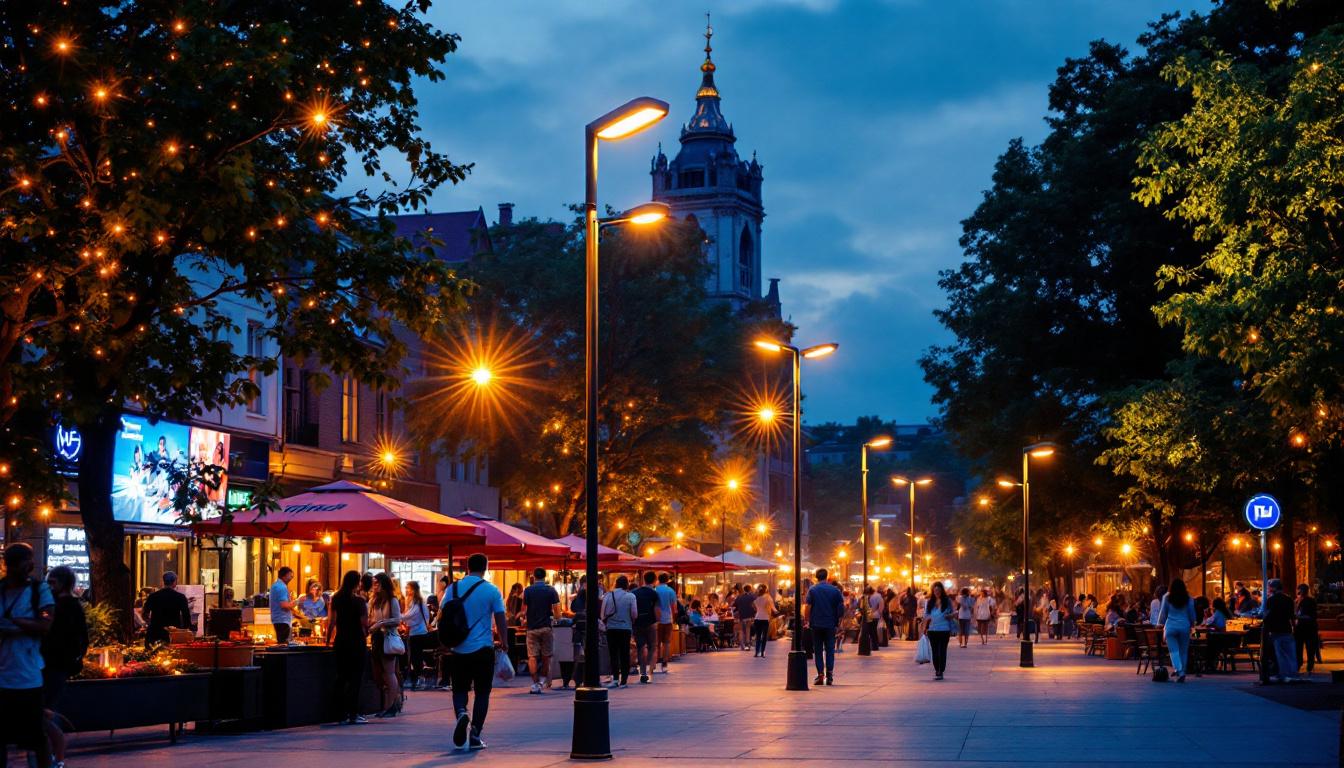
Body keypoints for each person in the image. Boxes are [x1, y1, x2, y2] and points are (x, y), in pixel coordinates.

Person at [446, 553, 507, 751]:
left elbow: (443, 616)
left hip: (458, 648)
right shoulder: (491, 590)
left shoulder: (452, 589)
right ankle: (475, 734)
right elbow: (500, 618)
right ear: (486, 568)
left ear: (467, 567)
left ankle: (462, 713)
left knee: (459, 689)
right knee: (482, 692)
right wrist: (504, 641)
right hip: (483, 649)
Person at [0, 544, 54, 768]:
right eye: (27, 560)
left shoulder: (38, 591)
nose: (31, 566)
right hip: (4, 676)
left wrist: (14, 623)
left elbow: (45, 624)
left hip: (27, 676)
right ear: (11, 564)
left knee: (36, 735)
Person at [40, 565, 84, 768]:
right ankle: (52, 758)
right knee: (44, 713)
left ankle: (56, 758)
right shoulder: (60, 604)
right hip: (51, 664)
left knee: (45, 713)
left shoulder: (67, 606)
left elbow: (80, 639)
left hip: (55, 664)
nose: (49, 586)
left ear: (63, 583)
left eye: (53, 582)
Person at [327, 570, 369, 724]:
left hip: (341, 640)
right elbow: (364, 622)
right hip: (356, 641)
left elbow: (331, 621)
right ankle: (353, 713)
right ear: (356, 583)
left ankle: (339, 713)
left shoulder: (336, 598)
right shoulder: (359, 601)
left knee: (341, 677)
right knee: (356, 678)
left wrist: (327, 640)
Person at [522, 567, 560, 694]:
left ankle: (535, 683)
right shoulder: (551, 590)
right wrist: (556, 619)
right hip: (546, 627)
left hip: (531, 628)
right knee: (546, 656)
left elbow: (524, 611)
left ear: (534, 576)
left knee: (532, 656)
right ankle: (542, 681)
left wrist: (524, 618)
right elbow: (557, 612)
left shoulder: (527, 591)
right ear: (545, 577)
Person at [803, 568, 844, 685]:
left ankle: (820, 675)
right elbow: (840, 607)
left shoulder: (813, 590)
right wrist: (839, 621)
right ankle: (830, 674)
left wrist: (807, 620)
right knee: (830, 649)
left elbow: (808, 607)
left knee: (818, 649)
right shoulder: (835, 590)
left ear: (816, 577)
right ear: (827, 576)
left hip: (816, 624)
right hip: (830, 623)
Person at [1156, 578, 1197, 682]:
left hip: (1171, 627)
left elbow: (1163, 612)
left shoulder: (1166, 597)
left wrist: (1160, 623)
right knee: (1183, 651)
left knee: (1173, 651)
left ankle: (1179, 670)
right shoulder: (1189, 598)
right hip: (1184, 626)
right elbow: (1192, 614)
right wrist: (1192, 623)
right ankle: (1182, 671)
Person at [601, 575, 637, 688]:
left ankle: (615, 678)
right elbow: (634, 613)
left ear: (616, 583)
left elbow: (602, 614)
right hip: (625, 628)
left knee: (613, 654)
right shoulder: (631, 596)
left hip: (611, 628)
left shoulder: (607, 595)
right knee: (624, 653)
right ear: (626, 584)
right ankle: (624, 681)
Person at [141, 571, 192, 647]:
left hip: (155, 632)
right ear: (174, 582)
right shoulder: (180, 597)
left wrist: (151, 624)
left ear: (163, 581)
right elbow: (186, 616)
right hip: (173, 633)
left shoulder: (153, 596)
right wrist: (184, 631)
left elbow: (145, 614)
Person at [1262, 579, 1296, 683]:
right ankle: (1291, 673)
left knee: (1279, 654)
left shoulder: (1271, 600)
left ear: (1274, 588)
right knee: (1289, 653)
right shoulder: (1289, 599)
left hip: (1275, 630)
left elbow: (1267, 615)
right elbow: (1292, 616)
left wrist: (1264, 623)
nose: (1268, 589)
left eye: (1269, 587)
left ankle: (1282, 674)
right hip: (1287, 629)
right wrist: (1294, 627)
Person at [401, 581, 433, 690]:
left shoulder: (417, 602)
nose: (406, 590)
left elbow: (410, 616)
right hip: (415, 632)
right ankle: (416, 678)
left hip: (418, 633)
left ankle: (417, 679)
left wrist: (397, 618)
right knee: (414, 656)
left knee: (415, 657)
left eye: (408, 588)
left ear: (414, 590)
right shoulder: (411, 601)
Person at [631, 571, 661, 684]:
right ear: (654, 580)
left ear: (643, 579)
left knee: (640, 647)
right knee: (653, 646)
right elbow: (656, 610)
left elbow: (633, 609)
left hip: (638, 623)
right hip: (650, 623)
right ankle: (650, 668)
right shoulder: (654, 593)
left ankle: (643, 672)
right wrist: (658, 621)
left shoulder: (635, 592)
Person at [923, 581, 956, 680]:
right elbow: (926, 616)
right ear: (932, 591)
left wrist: (951, 615)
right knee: (935, 651)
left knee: (942, 650)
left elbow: (951, 614)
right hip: (932, 630)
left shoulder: (947, 601)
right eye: (935, 590)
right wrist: (925, 627)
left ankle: (941, 670)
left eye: (938, 590)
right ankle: (937, 669)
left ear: (942, 591)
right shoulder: (930, 602)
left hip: (944, 629)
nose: (937, 592)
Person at [654, 573, 678, 673]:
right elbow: (674, 608)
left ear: (658, 580)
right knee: (666, 642)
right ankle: (664, 663)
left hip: (656, 620)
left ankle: (656, 661)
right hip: (668, 619)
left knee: (656, 643)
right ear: (667, 580)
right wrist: (674, 618)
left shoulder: (655, 590)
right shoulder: (670, 591)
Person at [1294, 584, 1319, 677]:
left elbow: (1311, 616)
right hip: (1303, 628)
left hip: (1307, 627)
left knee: (1307, 648)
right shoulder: (1299, 601)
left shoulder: (1309, 601)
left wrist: (1297, 616)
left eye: (1300, 591)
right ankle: (1306, 667)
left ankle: (1307, 667)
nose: (1299, 593)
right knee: (1304, 648)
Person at [269, 566, 296, 644]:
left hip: (277, 619)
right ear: (284, 575)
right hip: (283, 620)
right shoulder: (282, 587)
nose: (292, 577)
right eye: (290, 575)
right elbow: (284, 605)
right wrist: (297, 602)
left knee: (281, 642)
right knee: (283, 645)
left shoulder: (275, 585)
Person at [753, 584, 776, 657]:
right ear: (766, 590)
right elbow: (773, 608)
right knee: (764, 636)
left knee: (758, 636)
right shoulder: (768, 598)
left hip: (757, 618)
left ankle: (756, 652)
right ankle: (762, 652)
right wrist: (776, 612)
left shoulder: (756, 598)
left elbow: (753, 606)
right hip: (765, 618)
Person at [733, 582, 756, 651]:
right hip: (749, 615)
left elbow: (734, 604)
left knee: (742, 630)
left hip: (742, 616)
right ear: (750, 589)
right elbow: (755, 605)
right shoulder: (752, 596)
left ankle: (742, 645)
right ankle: (747, 644)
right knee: (748, 629)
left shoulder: (739, 597)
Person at [863, 586, 884, 652]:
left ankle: (873, 645)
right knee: (874, 630)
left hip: (870, 615)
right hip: (876, 615)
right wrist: (881, 615)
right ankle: (875, 646)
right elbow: (881, 607)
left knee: (870, 631)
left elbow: (866, 607)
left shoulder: (868, 597)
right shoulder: (879, 596)